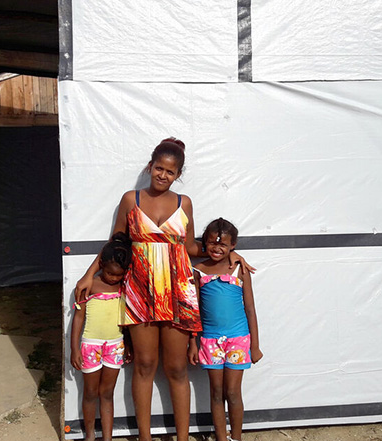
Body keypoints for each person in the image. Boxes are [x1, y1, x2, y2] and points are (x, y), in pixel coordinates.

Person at [74, 138, 252, 441]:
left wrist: (227, 253)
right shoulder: (132, 200)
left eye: (170, 172)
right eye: (159, 168)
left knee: (177, 368)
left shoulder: (185, 203)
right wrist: (88, 276)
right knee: (144, 365)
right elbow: (115, 244)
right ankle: (145, 437)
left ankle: (182, 438)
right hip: (140, 291)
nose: (163, 176)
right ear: (150, 166)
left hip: (178, 292)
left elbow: (191, 246)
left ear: (178, 175)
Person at [189, 218, 262, 441]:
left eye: (223, 245)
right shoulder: (198, 270)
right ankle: (221, 437)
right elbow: (194, 311)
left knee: (232, 392)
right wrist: (193, 342)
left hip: (238, 340)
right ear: (205, 243)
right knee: (216, 393)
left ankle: (236, 437)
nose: (217, 248)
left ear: (233, 246)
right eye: (212, 243)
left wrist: (255, 346)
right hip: (210, 341)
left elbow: (250, 309)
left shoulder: (239, 268)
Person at [70, 233, 133, 441]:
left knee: (107, 393)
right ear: (101, 264)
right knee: (90, 393)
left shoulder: (124, 287)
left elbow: (127, 321)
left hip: (115, 345)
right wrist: (75, 348)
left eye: (118, 275)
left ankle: (107, 437)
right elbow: (78, 318)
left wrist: (129, 345)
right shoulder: (90, 286)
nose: (113, 278)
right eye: (109, 273)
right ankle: (89, 435)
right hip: (91, 346)